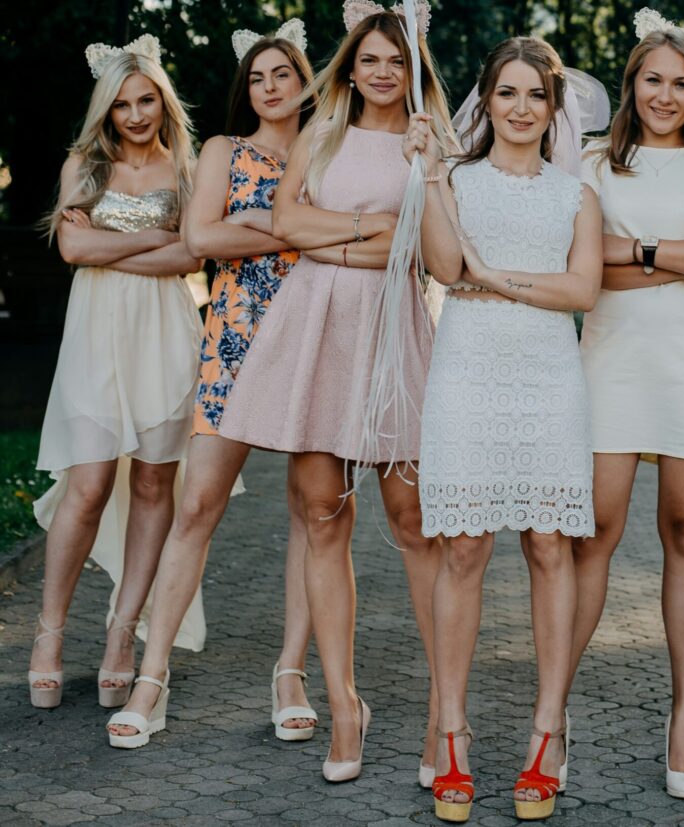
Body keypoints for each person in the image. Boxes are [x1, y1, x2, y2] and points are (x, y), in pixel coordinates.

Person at [216, 0, 452, 783]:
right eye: (371, 59)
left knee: (414, 518)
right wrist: (366, 233)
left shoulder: (433, 140)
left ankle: (440, 711)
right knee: (321, 509)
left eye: (397, 60)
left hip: (390, 330)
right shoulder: (320, 132)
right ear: (350, 65)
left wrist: (339, 223)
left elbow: (422, 241)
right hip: (313, 324)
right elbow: (286, 221)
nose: (383, 72)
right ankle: (344, 704)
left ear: (413, 68)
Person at [105, 22, 321, 748]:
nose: (269, 86)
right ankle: (152, 677)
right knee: (196, 504)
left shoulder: (331, 151)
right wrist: (293, 227)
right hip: (232, 339)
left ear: (305, 82)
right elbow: (202, 241)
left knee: (313, 511)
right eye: (258, 77)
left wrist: (255, 222)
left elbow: (350, 236)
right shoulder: (227, 151)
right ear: (247, 89)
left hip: (313, 335)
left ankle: (290, 672)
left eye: (282, 74)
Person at [406, 35, 602, 822]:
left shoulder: (577, 194)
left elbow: (583, 286)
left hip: (551, 378)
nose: (521, 108)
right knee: (464, 545)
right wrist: (424, 177)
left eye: (535, 95)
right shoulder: (451, 180)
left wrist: (498, 279)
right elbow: (445, 269)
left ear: (555, 108)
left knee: (551, 544)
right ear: (485, 100)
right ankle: (450, 729)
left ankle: (548, 731)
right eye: (507, 93)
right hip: (467, 373)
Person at [570, 8, 684, 801]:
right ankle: (555, 712)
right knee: (592, 533)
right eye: (654, 79)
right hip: (610, 363)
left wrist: (641, 250)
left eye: (683, 84)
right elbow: (581, 266)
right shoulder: (590, 165)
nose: (667, 94)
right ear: (631, 83)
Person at [29, 35, 202, 710]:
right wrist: (155, 239)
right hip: (97, 337)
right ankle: (48, 633)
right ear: (107, 110)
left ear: (162, 100)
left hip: (165, 336)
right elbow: (70, 246)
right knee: (91, 480)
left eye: (147, 100)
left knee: (158, 480)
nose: (136, 115)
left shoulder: (185, 167)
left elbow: (191, 258)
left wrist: (121, 246)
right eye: (123, 104)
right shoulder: (85, 164)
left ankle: (122, 635)